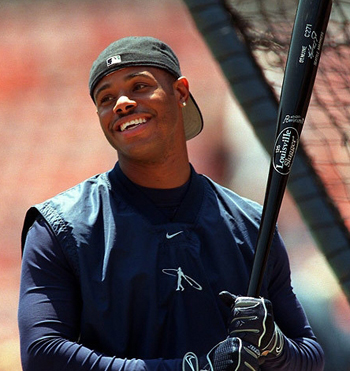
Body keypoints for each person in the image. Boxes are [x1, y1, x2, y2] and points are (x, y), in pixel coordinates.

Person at [18, 36, 325, 371]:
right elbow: (42, 353)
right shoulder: (58, 227)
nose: (121, 102)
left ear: (180, 92)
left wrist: (273, 345)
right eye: (106, 98)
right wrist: (192, 368)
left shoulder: (251, 225)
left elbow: (310, 355)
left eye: (139, 86)